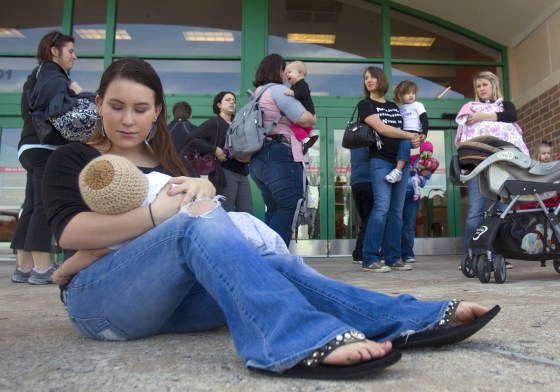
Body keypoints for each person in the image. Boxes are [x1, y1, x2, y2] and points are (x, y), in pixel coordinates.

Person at [41, 57, 500, 379]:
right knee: (195, 220)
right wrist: (163, 212)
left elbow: (188, 230)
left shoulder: (168, 162)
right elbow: (71, 233)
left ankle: (405, 319)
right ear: (98, 102)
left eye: (141, 109)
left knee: (272, 265)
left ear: (158, 111)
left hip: (165, 305)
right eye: (116, 106)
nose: (128, 119)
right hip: (100, 304)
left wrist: (199, 189)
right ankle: (292, 339)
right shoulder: (76, 158)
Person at [53, 154, 288, 285]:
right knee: (281, 265)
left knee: (261, 276)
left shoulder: (126, 225)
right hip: (240, 224)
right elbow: (198, 190)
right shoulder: (159, 179)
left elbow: (91, 253)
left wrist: (63, 271)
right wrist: (204, 185)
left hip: (221, 243)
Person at [10, 30, 82, 285]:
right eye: (70, 51)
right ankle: (41, 268)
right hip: (45, 148)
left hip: (27, 147)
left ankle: (23, 266)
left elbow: (28, 112)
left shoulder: (35, 75)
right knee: (43, 206)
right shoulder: (54, 74)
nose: (74, 57)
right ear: (55, 51)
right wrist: (77, 93)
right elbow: (58, 110)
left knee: (30, 206)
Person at [456, 71, 528, 268]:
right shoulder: (470, 107)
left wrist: (484, 116)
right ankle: (473, 255)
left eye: (484, 85)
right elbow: (467, 127)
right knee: (474, 212)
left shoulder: (506, 105)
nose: (481, 89)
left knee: (502, 210)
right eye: (478, 86)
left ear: (493, 85)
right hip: (478, 165)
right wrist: (479, 116)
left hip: (503, 166)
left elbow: (511, 116)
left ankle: (497, 254)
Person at [249, 54, 317, 246]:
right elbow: (304, 118)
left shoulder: (257, 93)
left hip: (260, 157)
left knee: (274, 207)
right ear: (277, 71)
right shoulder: (278, 90)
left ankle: (265, 257)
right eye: (284, 70)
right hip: (279, 154)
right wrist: (313, 119)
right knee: (289, 205)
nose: (287, 74)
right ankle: (275, 260)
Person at [359, 67, 421, 273]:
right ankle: (369, 258)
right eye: (366, 78)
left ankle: (393, 257)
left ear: (381, 80)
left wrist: (416, 138)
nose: (369, 80)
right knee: (382, 208)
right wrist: (407, 135)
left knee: (397, 211)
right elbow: (383, 129)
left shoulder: (395, 106)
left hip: (400, 163)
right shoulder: (365, 104)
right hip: (380, 162)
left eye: (373, 77)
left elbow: (408, 131)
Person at [184, 92, 253, 213]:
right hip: (225, 173)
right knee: (225, 211)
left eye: (234, 100)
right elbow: (191, 139)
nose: (232, 102)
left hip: (243, 172)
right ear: (219, 104)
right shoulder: (214, 123)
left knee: (247, 213)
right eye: (228, 100)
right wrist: (214, 149)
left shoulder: (238, 123)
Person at [385, 80, 429, 184]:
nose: (411, 95)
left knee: (405, 143)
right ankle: (405, 166)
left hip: (413, 132)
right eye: (408, 93)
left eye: (413, 93)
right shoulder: (400, 109)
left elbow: (424, 119)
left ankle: (398, 171)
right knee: (400, 147)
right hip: (403, 133)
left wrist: (424, 133)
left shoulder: (418, 105)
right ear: (400, 95)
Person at [401, 141, 438, 264]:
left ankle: (407, 254)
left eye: (430, 151)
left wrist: (421, 166)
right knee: (395, 224)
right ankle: (390, 252)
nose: (428, 153)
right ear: (421, 151)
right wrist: (409, 166)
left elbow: (429, 169)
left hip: (413, 195)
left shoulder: (432, 162)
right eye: (425, 150)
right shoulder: (412, 158)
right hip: (400, 192)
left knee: (409, 225)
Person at [284, 60, 319, 154]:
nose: (287, 75)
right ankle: (312, 133)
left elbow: (303, 94)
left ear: (299, 72)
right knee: (302, 124)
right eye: (286, 73)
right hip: (307, 112)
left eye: (289, 72)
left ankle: (305, 139)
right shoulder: (295, 86)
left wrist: (293, 93)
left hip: (306, 112)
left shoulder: (302, 84)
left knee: (294, 124)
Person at [350, 146, 374, 265]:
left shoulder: (354, 141)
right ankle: (359, 253)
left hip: (355, 183)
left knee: (366, 220)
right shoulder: (370, 138)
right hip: (369, 180)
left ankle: (359, 253)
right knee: (369, 221)